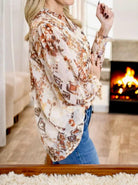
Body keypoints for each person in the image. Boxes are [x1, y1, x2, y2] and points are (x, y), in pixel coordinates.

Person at [24, 0, 114, 164]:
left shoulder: (65, 22)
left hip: (78, 121)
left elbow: (89, 66)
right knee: (93, 179)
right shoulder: (45, 28)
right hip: (66, 132)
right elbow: (72, 93)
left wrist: (104, 29)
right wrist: (94, 78)